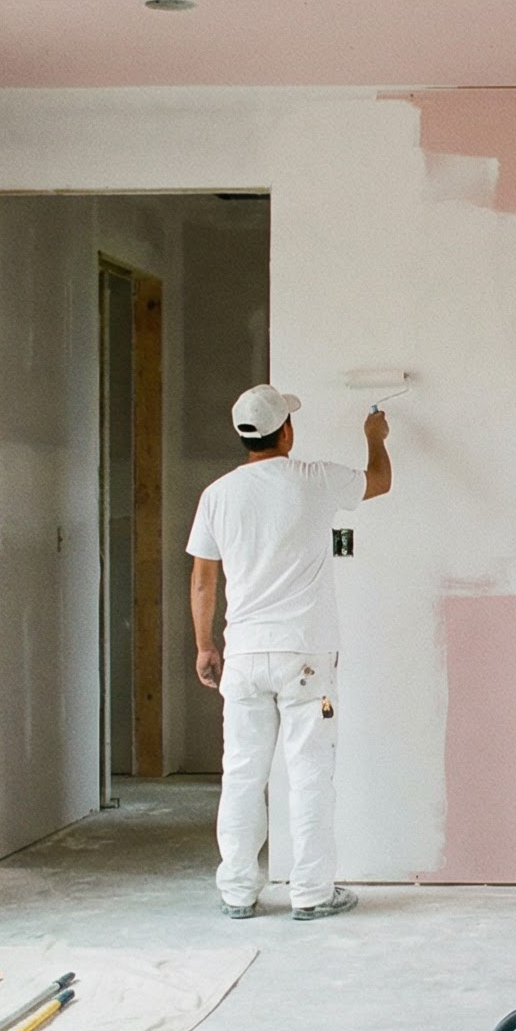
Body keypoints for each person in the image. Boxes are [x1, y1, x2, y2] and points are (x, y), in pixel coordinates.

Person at [188, 383, 392, 920]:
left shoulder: (217, 495)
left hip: (245, 657)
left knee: (242, 775)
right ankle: (311, 893)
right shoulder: (313, 480)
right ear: (287, 432)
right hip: (304, 656)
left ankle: (237, 892)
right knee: (307, 775)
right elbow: (380, 481)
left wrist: (205, 645)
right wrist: (375, 437)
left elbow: (203, 582)